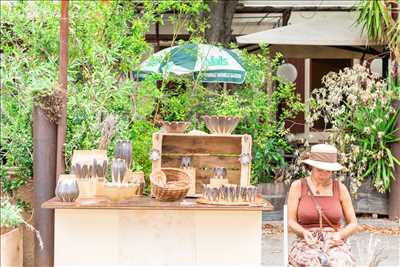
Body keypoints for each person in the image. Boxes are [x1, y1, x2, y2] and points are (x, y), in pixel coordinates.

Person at [287, 144, 358, 267]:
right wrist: (303, 232)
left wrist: (340, 235)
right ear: (311, 167)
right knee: (314, 263)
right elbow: (291, 222)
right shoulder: (298, 186)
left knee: (340, 263)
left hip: (333, 241)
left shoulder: (340, 188)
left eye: (328, 171)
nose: (324, 175)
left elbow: (353, 224)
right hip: (306, 242)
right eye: (320, 170)